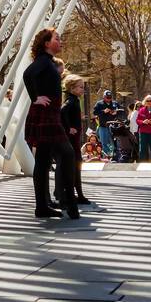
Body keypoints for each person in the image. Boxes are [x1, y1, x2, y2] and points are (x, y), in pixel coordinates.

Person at [23, 27, 78, 219]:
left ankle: (42, 207)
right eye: (57, 38)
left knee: (43, 160)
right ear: (47, 43)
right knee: (67, 153)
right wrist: (35, 98)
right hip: (46, 114)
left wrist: (36, 98)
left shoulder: (48, 62)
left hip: (49, 113)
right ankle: (69, 203)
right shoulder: (43, 62)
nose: (60, 41)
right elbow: (27, 74)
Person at [59, 72, 91, 206]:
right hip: (72, 140)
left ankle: (77, 194)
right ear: (72, 88)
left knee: (76, 166)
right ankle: (77, 195)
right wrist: (69, 127)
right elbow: (62, 112)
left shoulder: (73, 100)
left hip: (74, 139)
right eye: (80, 87)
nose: (83, 89)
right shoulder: (71, 101)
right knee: (75, 166)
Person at [93, 90, 120, 159]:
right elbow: (95, 112)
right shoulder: (99, 104)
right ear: (104, 97)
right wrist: (103, 111)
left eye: (110, 97)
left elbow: (121, 111)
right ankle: (106, 157)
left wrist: (116, 113)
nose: (109, 99)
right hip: (103, 126)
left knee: (114, 142)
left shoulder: (115, 103)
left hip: (114, 127)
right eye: (107, 97)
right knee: (104, 142)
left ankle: (115, 156)